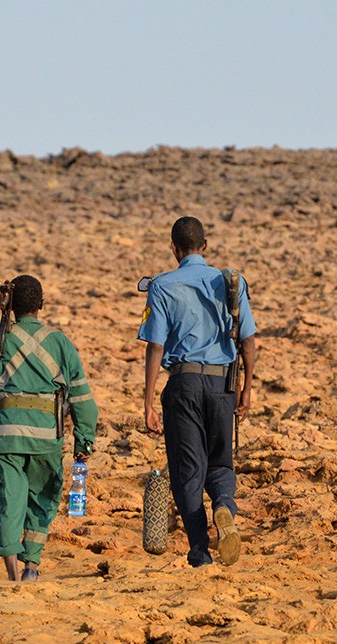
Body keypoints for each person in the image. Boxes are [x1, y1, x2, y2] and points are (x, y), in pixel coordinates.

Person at [138, 217, 257, 567]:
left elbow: (155, 347)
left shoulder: (162, 286)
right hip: (224, 384)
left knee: (187, 471)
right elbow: (248, 341)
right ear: (205, 246)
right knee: (220, 462)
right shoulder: (232, 282)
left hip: (184, 384)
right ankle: (223, 505)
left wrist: (147, 403)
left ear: (174, 249)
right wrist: (247, 390)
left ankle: (200, 551)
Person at [0, 274, 98, 581]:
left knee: (8, 502)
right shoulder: (59, 342)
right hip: (46, 440)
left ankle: (12, 574)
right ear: (41, 305)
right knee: (42, 499)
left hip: (7, 439)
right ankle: (32, 566)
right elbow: (83, 400)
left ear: (10, 306)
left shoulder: (0, 339)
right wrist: (84, 441)